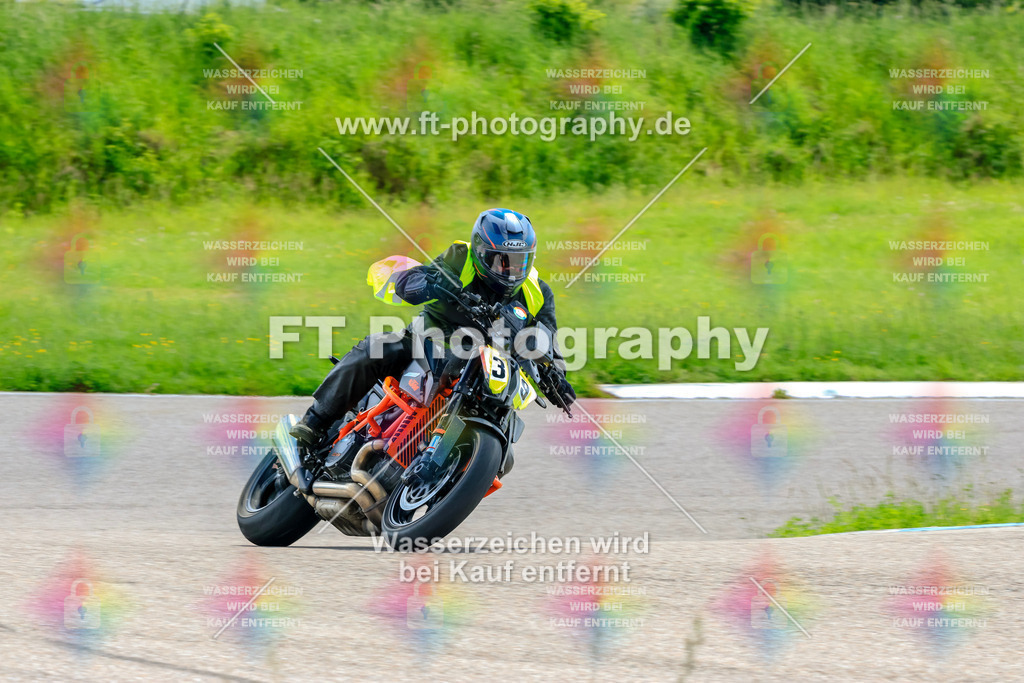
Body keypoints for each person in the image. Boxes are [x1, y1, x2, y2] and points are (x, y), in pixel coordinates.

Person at [289, 208, 576, 448]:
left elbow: (546, 340)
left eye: (519, 262)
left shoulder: (538, 293)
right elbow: (413, 281)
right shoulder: (460, 257)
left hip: (488, 366)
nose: (510, 270)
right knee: (376, 348)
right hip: (429, 340)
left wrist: (556, 375)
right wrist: (430, 284)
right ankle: (315, 421)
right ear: (479, 252)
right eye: (500, 261)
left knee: (507, 435)